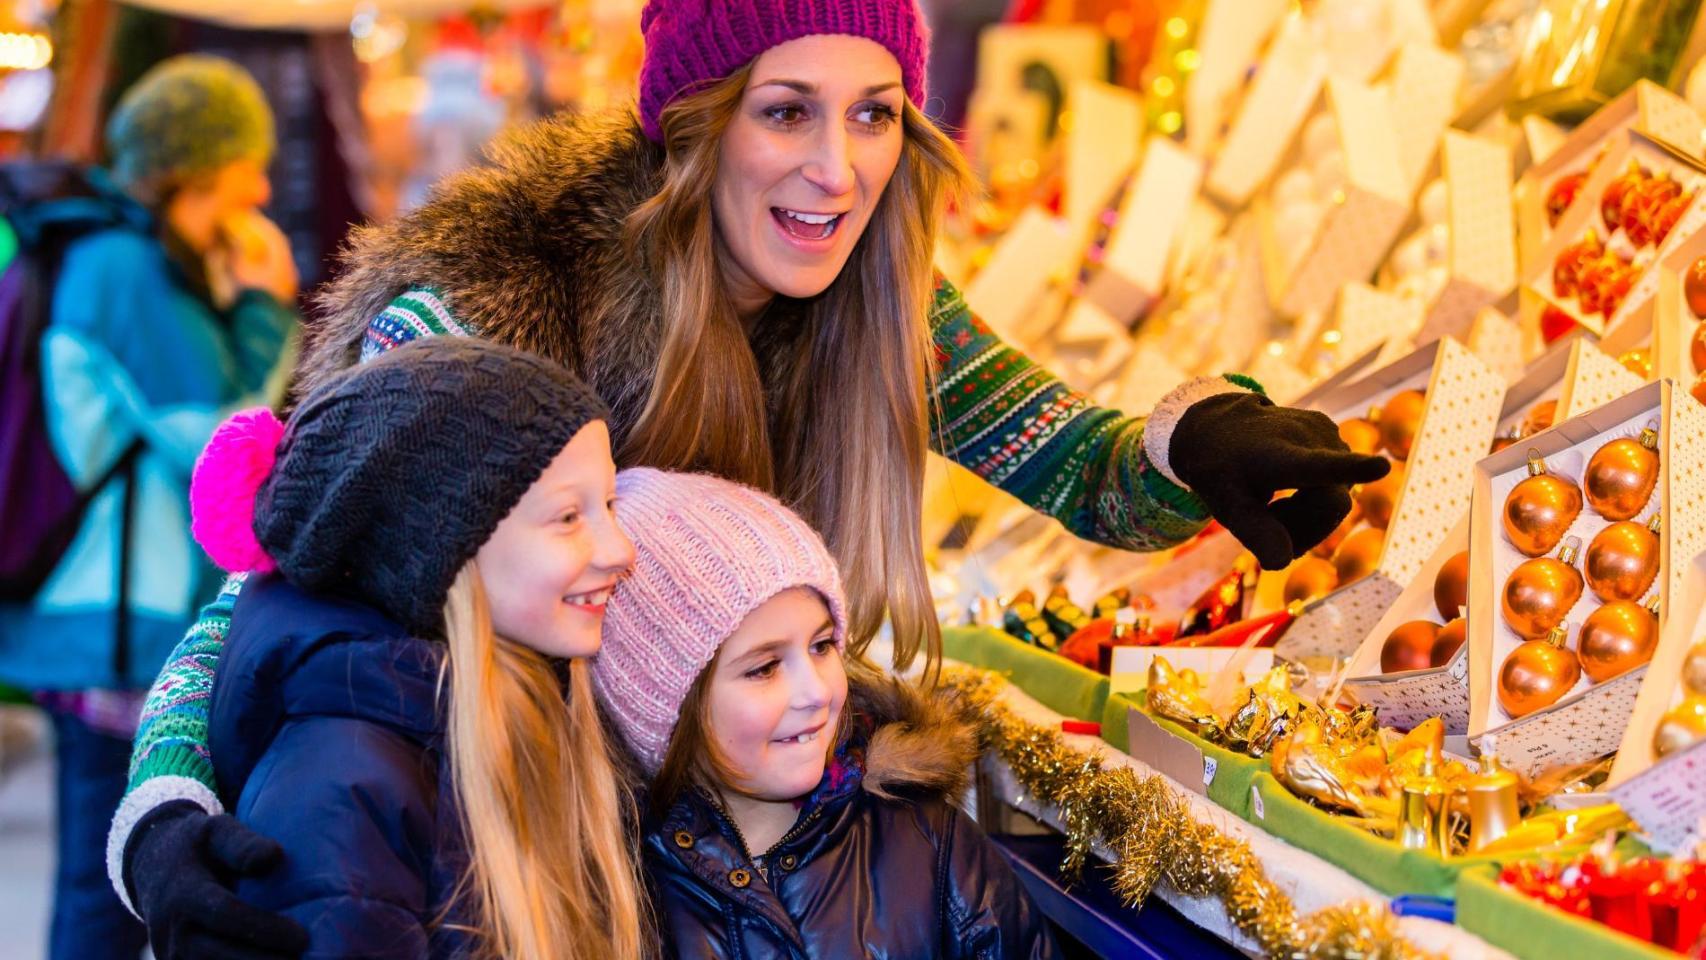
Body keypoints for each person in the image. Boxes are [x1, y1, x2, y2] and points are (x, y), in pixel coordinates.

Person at [113, 2, 1388, 951]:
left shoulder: (874, 297)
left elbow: (1071, 460)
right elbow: (264, 583)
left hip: (690, 873)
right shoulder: (496, 300)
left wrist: (1194, 447)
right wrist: (166, 809)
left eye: (874, 113)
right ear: (696, 122)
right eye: (786, 111)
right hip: (497, 870)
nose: (836, 170)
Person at [184, 338, 647, 959]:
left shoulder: (515, 706)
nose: (622, 550)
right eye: (569, 517)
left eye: (611, 504)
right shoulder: (346, 798)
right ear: (438, 547)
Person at [0, 55, 299, 960]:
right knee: (106, 890)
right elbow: (212, 434)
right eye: (247, 157)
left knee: (91, 877)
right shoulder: (125, 267)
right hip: (114, 623)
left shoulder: (106, 251)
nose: (261, 179)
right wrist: (261, 302)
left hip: (90, 610)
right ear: (201, 166)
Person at [594, 468, 1054, 958]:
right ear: (666, 702)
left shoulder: (929, 845)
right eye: (765, 668)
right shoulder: (619, 889)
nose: (815, 692)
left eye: (821, 645)